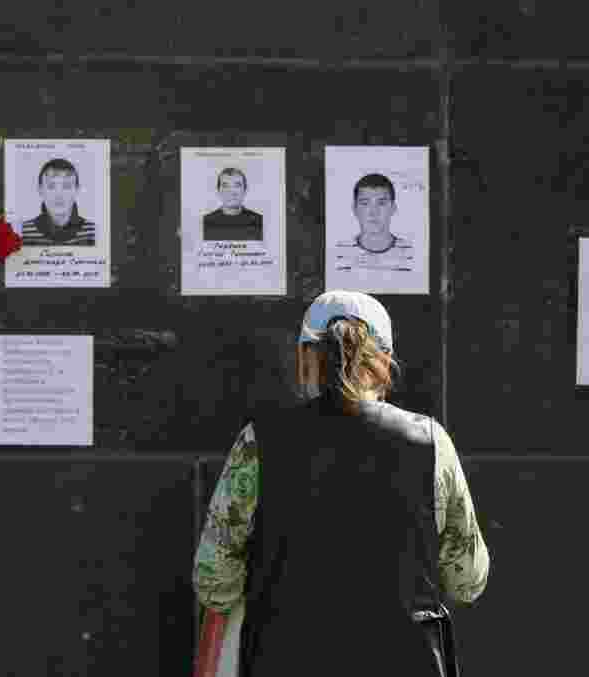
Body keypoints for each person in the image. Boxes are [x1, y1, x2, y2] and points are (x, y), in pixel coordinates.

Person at [193, 290, 490, 676]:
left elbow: (214, 581)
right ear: (384, 360)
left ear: (305, 358)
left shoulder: (259, 443)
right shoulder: (430, 443)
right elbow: (467, 579)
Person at [335, 173, 414, 271]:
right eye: (365, 203)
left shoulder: (412, 255)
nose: (373, 212)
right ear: (354, 209)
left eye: (381, 203)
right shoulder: (338, 255)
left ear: (393, 208)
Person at [21, 158, 96, 246]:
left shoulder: (92, 232)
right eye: (51, 186)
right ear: (40, 190)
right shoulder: (24, 233)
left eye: (67, 186)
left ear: (77, 190)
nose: (59, 194)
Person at [203, 168, 263, 242]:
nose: (232, 192)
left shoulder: (259, 221)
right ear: (218, 191)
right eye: (225, 186)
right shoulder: (206, 222)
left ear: (245, 190)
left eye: (237, 186)